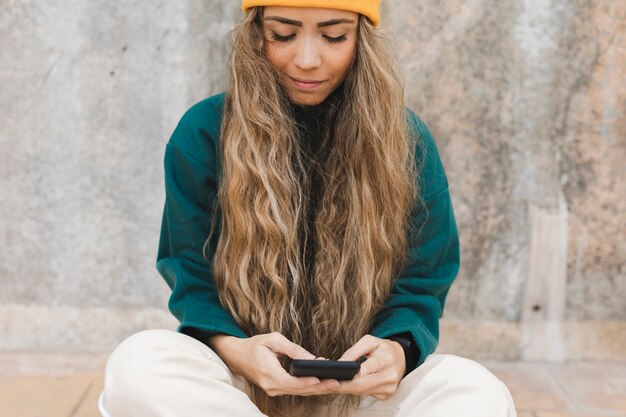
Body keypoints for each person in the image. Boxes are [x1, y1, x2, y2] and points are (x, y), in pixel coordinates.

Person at [101, 1, 517, 417]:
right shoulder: (203, 132)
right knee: (138, 364)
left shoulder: (406, 140)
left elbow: (423, 278)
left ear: (362, 39)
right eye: (282, 34)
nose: (306, 60)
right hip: (241, 389)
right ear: (255, 32)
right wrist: (239, 352)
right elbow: (192, 276)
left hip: (361, 394)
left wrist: (397, 349)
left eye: (334, 36)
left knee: (476, 393)